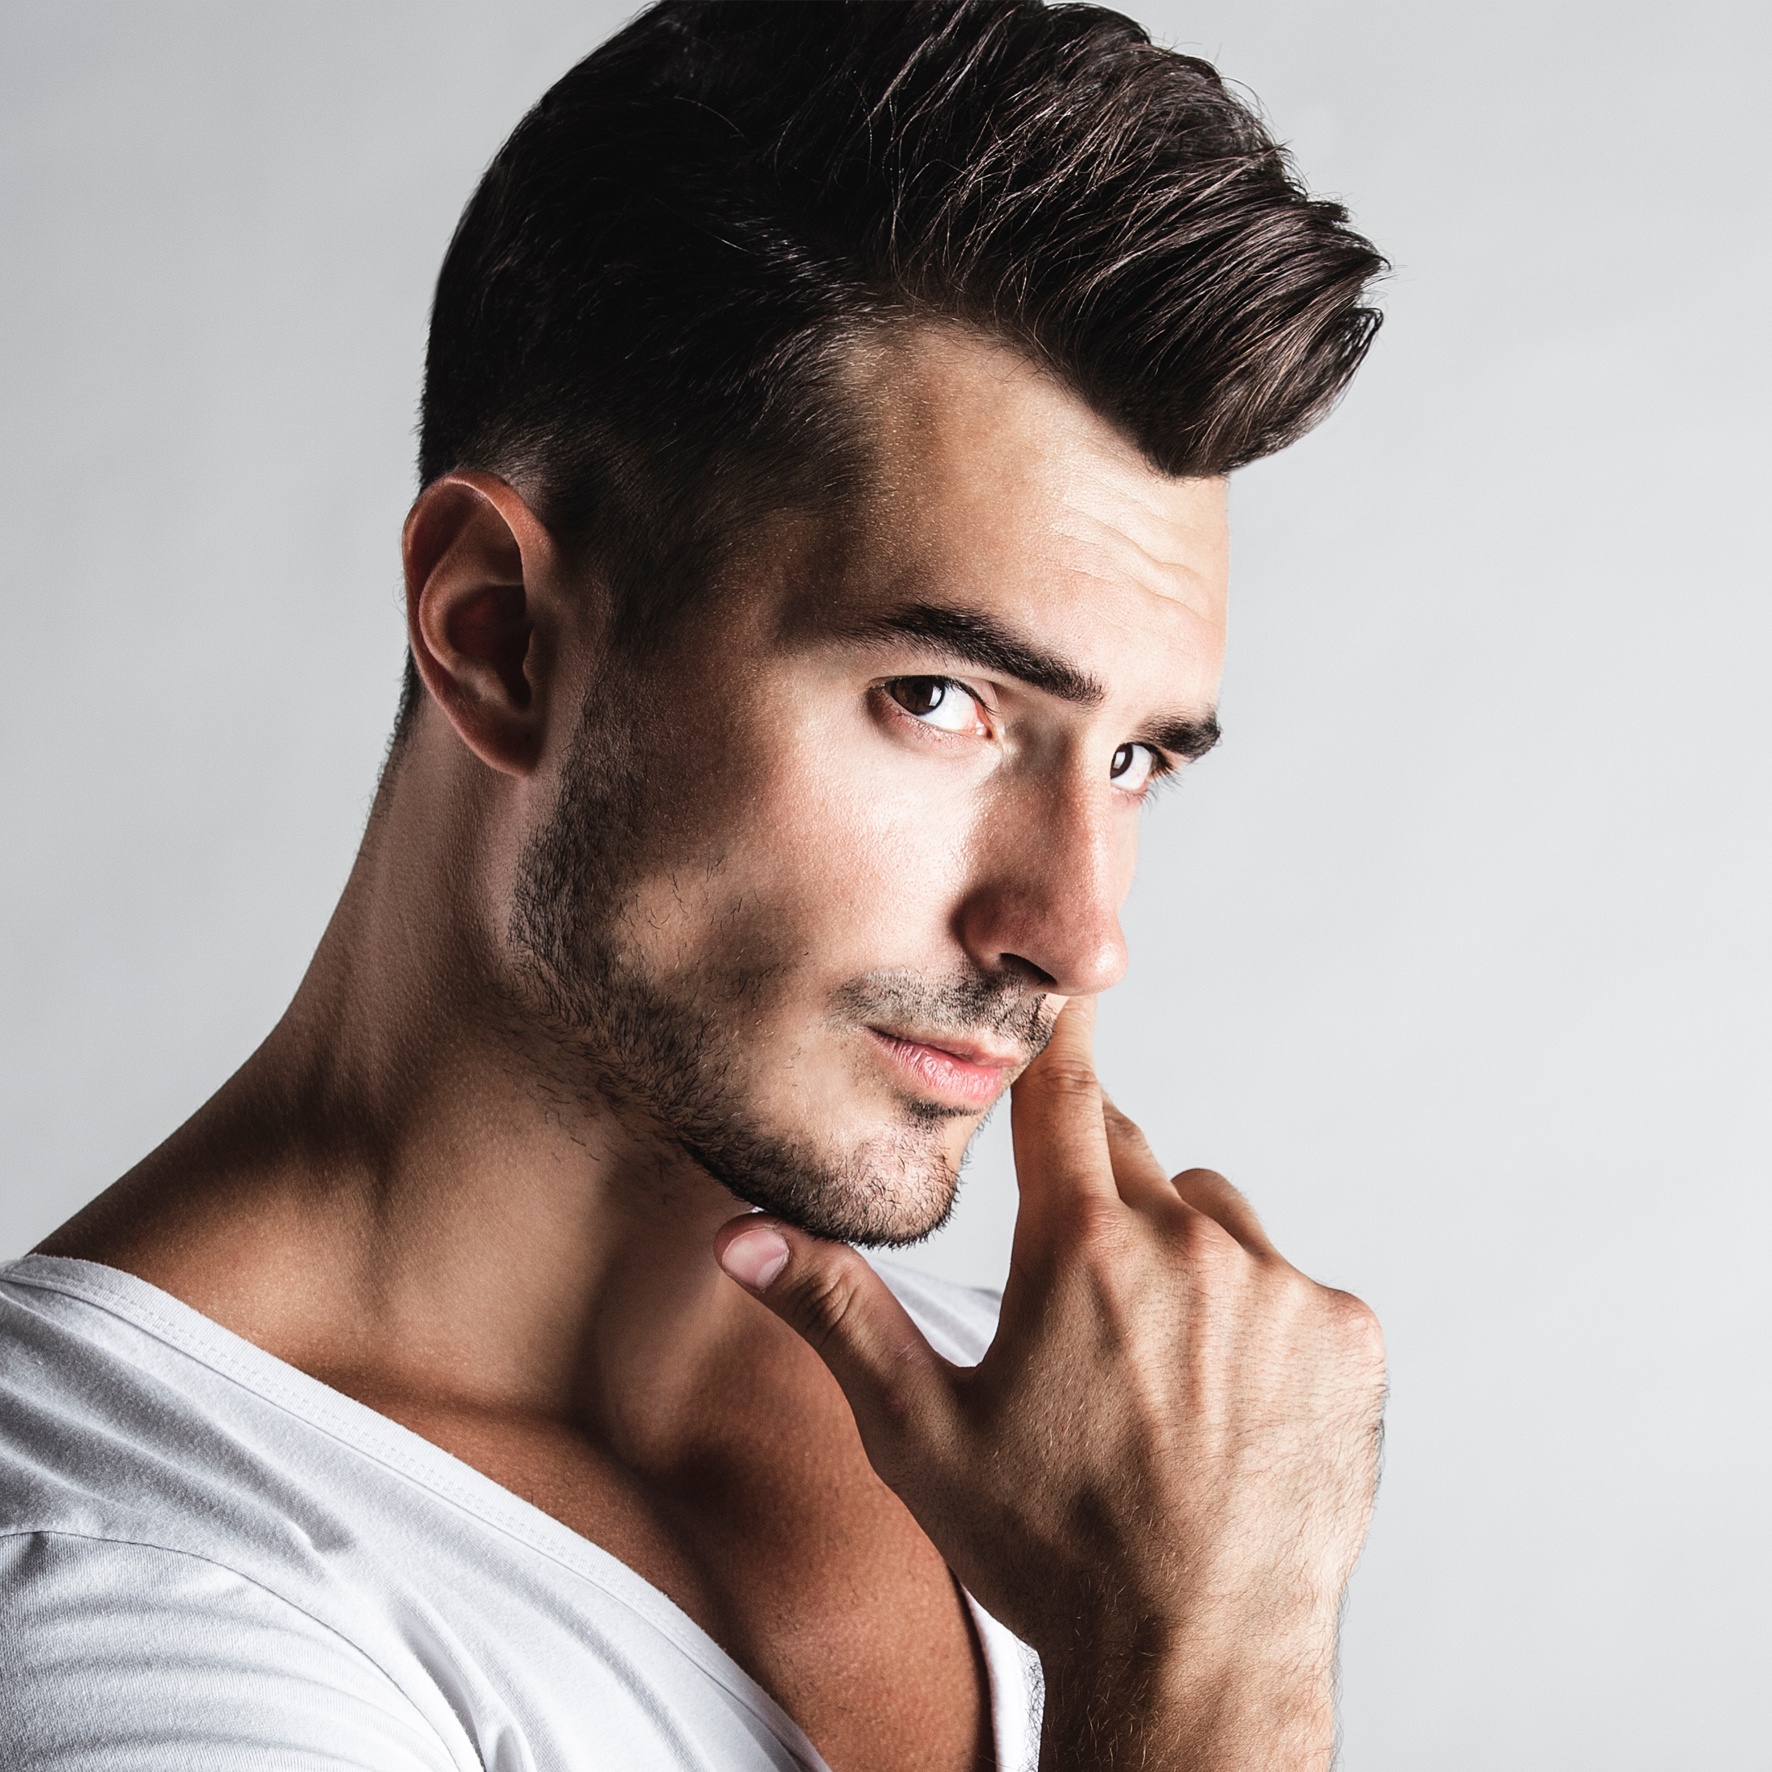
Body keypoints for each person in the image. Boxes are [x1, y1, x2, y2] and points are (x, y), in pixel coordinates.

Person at [0, 3, 1389, 1767]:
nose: (1076, 932)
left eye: (1133, 760)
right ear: (499, 636)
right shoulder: (114, 1590)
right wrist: (1204, 1666)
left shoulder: (1078, 1456)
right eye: (939, 700)